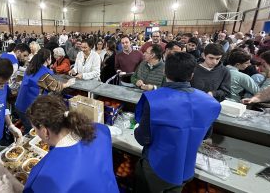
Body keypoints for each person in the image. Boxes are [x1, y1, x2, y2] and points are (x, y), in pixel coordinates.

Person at [134, 52, 221, 193]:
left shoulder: (154, 100)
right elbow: (205, 135)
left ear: (164, 71)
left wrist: (137, 129)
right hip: (185, 168)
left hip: (157, 167)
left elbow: (142, 138)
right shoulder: (210, 103)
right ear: (192, 75)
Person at [24, 95, 119, 193]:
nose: (36, 132)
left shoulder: (40, 177)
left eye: (35, 129)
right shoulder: (102, 130)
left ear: (45, 131)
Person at [16, 49, 75, 133]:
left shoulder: (31, 67)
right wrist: (68, 83)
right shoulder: (44, 74)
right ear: (48, 59)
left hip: (20, 104)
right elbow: (56, 87)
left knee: (27, 127)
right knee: (31, 131)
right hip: (29, 108)